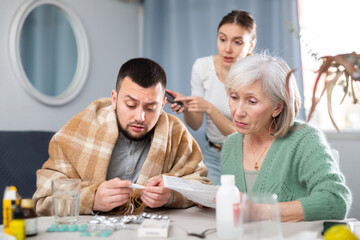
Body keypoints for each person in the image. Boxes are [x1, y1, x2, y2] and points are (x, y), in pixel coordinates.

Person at [33, 58, 210, 216]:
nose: (140, 117)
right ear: (114, 99)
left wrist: (171, 195)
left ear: (163, 104)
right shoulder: (80, 127)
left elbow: (201, 187)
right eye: (131, 105)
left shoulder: (175, 132)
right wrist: (92, 199)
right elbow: (43, 199)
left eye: (150, 108)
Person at [221, 53, 352, 221]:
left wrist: (261, 211)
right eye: (234, 97)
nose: (238, 112)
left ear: (277, 107)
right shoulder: (231, 144)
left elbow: (335, 201)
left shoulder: (305, 139)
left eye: (251, 101)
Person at [167, 10, 257, 185]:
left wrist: (208, 108)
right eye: (222, 39)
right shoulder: (202, 67)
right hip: (213, 155)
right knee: (211, 208)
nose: (228, 49)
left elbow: (241, 135)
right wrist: (189, 107)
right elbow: (195, 124)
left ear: (251, 45)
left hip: (246, 154)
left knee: (244, 208)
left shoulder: (255, 75)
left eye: (237, 42)